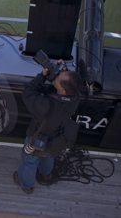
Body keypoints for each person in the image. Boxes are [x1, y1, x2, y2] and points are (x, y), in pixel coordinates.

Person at [14, 66, 81, 194]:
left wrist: (42, 76)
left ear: (62, 90)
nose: (57, 75)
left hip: (37, 138)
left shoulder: (45, 106)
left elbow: (28, 92)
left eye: (59, 76)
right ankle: (45, 174)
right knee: (48, 155)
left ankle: (26, 184)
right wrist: (63, 72)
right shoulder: (74, 97)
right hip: (55, 138)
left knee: (29, 162)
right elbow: (67, 86)